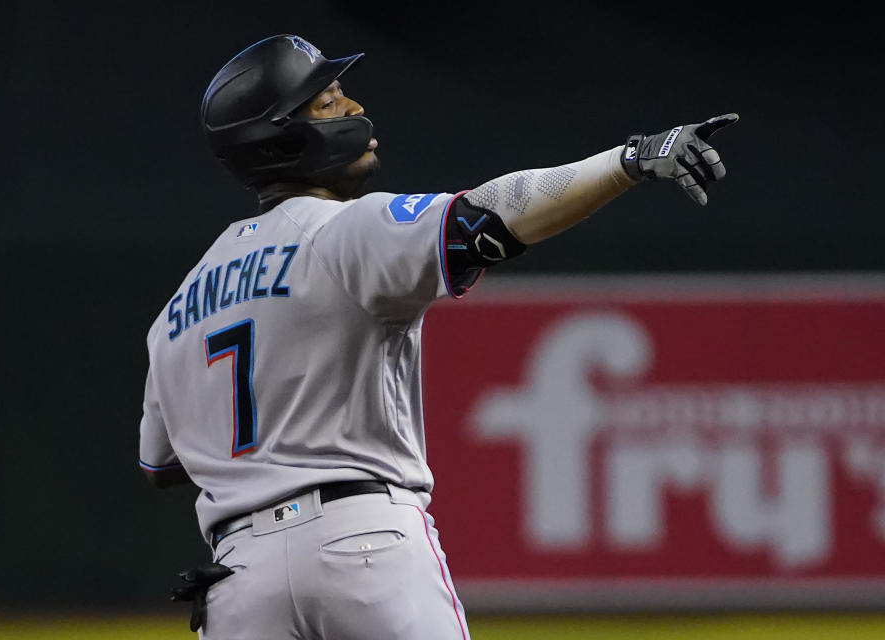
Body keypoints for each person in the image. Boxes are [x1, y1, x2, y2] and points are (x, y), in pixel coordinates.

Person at [139, 34, 738, 639]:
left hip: (239, 580)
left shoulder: (177, 310)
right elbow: (487, 218)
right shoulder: (345, 230)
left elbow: (161, 465)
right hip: (364, 544)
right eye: (328, 102)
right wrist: (628, 160)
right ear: (282, 135)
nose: (353, 109)